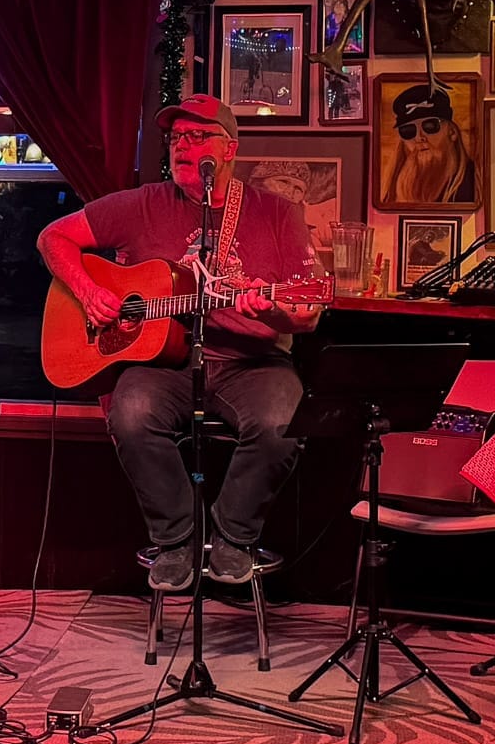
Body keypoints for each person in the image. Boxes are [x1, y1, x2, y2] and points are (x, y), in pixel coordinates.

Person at [37, 93, 322, 592]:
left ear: (229, 149)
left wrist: (273, 306)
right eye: (175, 138)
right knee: (130, 413)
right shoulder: (141, 204)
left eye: (198, 136)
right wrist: (89, 293)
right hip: (163, 363)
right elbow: (53, 238)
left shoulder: (278, 213)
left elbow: (308, 315)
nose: (182, 147)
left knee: (282, 423)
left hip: (251, 362)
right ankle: (176, 539)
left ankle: (233, 536)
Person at [381, 83, 476, 206]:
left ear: (452, 132)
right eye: (408, 131)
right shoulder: (392, 188)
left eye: (430, 126)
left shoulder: (471, 182)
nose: (419, 137)